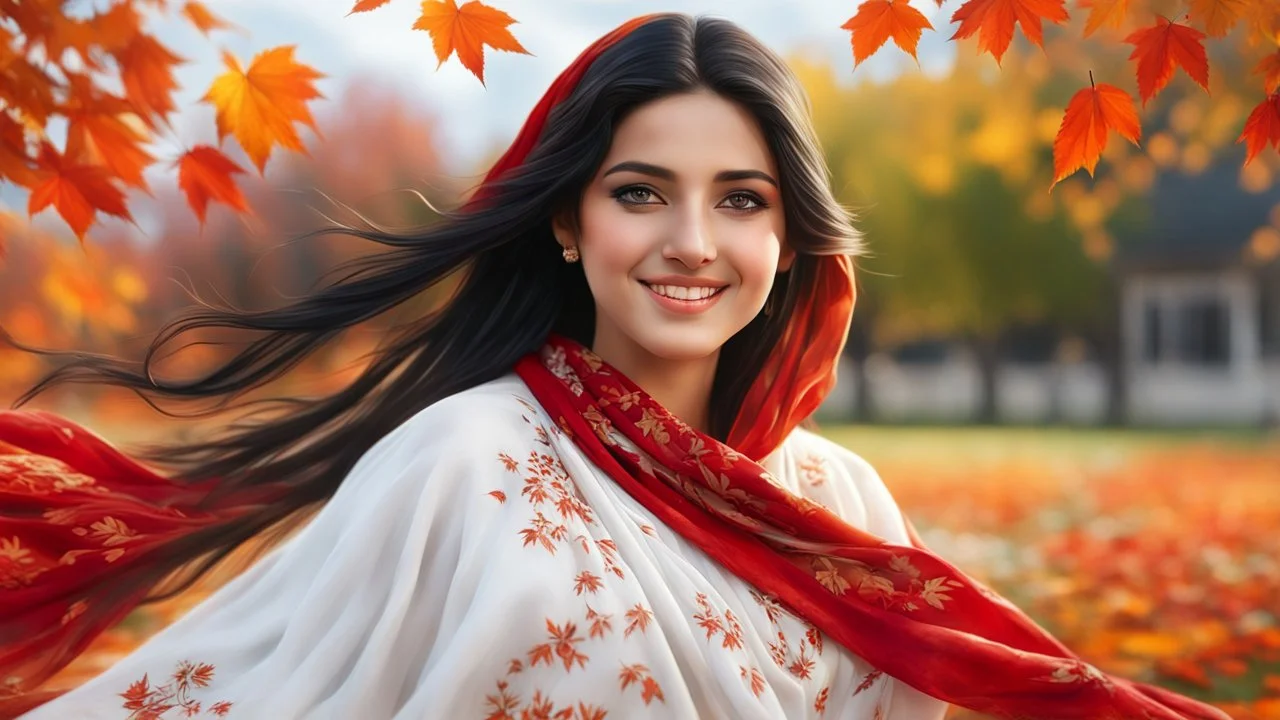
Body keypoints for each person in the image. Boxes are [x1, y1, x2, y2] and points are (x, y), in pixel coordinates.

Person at [0, 12, 1231, 720]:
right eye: (640, 193)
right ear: (565, 220)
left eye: (739, 200)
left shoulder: (844, 503)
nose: (692, 245)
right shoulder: (453, 465)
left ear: (787, 236)